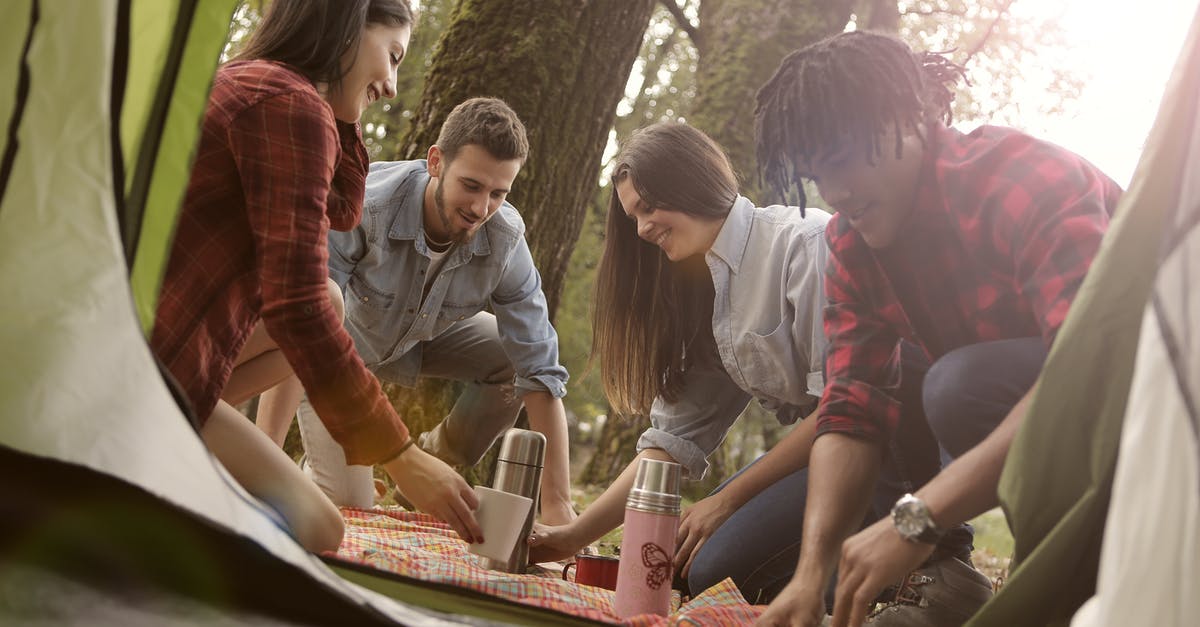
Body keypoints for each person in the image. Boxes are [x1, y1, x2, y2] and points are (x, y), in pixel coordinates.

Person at [750, 31, 1121, 627]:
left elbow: (1090, 368)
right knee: (940, 381)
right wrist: (811, 573)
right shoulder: (851, 245)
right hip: (1070, 430)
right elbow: (851, 412)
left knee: (959, 384)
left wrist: (917, 518)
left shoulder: (1021, 180)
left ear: (911, 118)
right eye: (818, 173)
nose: (837, 193)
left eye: (844, 157)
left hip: (1162, 394)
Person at [151, 0, 484, 553]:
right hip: (158, 366)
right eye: (393, 56)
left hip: (165, 348)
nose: (394, 85)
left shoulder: (263, 83)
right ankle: (157, 476)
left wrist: (345, 108)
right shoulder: (289, 105)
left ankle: (181, 439)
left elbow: (342, 209)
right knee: (319, 528)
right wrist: (401, 455)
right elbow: (295, 304)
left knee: (334, 298)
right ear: (348, 26)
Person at [528, 122, 833, 591]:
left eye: (647, 208)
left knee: (713, 569)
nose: (643, 229)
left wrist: (726, 499)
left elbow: (847, 404)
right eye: (633, 218)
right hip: (827, 449)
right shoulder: (708, 295)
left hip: (884, 442)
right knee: (689, 566)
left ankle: (901, 569)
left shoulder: (803, 245)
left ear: (689, 181)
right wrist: (572, 536)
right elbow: (670, 443)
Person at [255, 97, 576, 526]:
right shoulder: (365, 207)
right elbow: (300, 321)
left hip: (421, 342)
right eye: (472, 185)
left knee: (510, 351)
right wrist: (259, 462)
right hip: (337, 356)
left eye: (499, 193)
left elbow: (541, 372)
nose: (481, 209)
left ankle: (429, 462)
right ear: (436, 162)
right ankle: (317, 473)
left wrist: (557, 504)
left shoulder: (505, 240)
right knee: (351, 506)